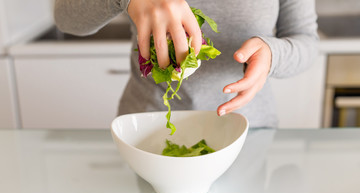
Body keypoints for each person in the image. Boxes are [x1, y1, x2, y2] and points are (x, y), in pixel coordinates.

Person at [54, 0, 318, 128]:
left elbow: (306, 41)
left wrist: (273, 53)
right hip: (149, 126)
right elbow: (66, 18)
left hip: (245, 130)